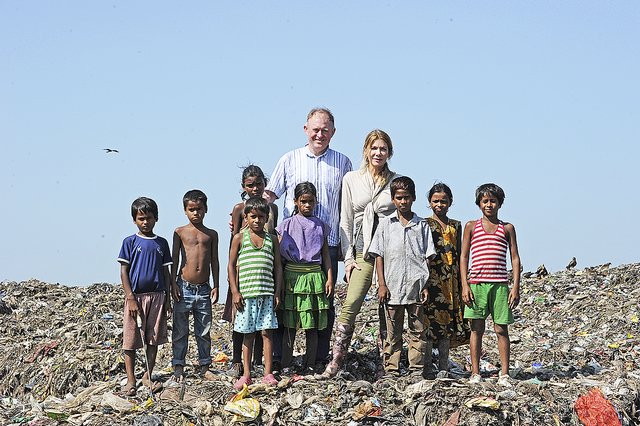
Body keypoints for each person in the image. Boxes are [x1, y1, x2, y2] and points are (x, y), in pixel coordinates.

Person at [265, 107, 351, 365]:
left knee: (324, 304)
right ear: (305, 130)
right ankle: (281, 358)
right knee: (287, 302)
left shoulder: (343, 163)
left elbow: (350, 202)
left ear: (333, 132)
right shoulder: (289, 159)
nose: (320, 134)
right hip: (292, 250)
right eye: (315, 129)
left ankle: (319, 359)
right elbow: (269, 196)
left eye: (325, 130)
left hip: (330, 243)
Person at [318, 129, 399, 379]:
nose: (378, 153)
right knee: (351, 303)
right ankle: (336, 361)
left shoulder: (396, 180)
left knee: (388, 306)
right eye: (374, 148)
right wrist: (349, 258)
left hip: (390, 251)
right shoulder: (352, 179)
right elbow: (346, 220)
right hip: (363, 249)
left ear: (389, 153)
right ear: (366, 150)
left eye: (383, 149)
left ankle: (387, 362)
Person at [368, 176, 435, 376]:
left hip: (415, 286)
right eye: (399, 198)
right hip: (392, 286)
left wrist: (424, 285)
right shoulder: (386, 225)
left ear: (413, 198)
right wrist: (381, 284)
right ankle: (392, 368)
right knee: (392, 332)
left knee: (416, 330)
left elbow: (428, 256)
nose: (403, 201)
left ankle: (416, 368)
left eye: (406, 197)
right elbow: (378, 255)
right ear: (393, 199)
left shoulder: (421, 225)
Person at [461, 183, 521, 387]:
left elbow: (514, 258)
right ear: (479, 204)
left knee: (501, 329)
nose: (489, 204)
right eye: (485, 201)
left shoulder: (507, 228)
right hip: (477, 284)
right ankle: (475, 372)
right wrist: (465, 285)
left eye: (493, 201)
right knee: (476, 329)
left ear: (500, 204)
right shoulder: (471, 226)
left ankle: (504, 373)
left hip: (500, 285)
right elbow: (464, 257)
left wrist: (515, 287)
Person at [223, 165, 278, 378]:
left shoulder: (271, 209)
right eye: (250, 185)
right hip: (243, 270)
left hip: (263, 268)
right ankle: (238, 361)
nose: (255, 188)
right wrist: (234, 282)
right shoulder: (239, 208)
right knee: (242, 320)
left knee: (263, 324)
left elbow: (273, 232)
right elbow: (235, 239)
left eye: (259, 184)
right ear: (243, 187)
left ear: (265, 184)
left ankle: (258, 363)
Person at [117, 197, 172, 396]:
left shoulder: (162, 243)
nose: (145, 222)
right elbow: (124, 271)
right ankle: (131, 380)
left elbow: (166, 273)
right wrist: (130, 297)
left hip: (157, 296)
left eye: (149, 218)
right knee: (130, 340)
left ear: (156, 218)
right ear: (134, 220)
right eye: (141, 218)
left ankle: (147, 375)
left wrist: (167, 299)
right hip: (136, 298)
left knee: (153, 338)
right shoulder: (129, 242)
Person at [277, 182, 334, 372]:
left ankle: (310, 364)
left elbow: (325, 254)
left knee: (313, 324)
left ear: (316, 202)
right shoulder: (285, 226)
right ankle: (286, 364)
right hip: (292, 275)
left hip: (314, 276)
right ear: (295, 202)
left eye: (311, 201)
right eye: (303, 201)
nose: (307, 205)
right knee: (289, 324)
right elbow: (279, 258)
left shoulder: (321, 226)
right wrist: (281, 282)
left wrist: (330, 277)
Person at [228, 197, 284, 389]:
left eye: (261, 217)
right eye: (253, 217)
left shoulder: (272, 240)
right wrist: (235, 291)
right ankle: (246, 374)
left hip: (266, 294)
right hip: (247, 296)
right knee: (248, 335)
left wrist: (277, 291)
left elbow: (277, 267)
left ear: (267, 217)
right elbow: (231, 265)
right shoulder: (239, 238)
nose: (257, 221)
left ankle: (268, 374)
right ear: (246, 217)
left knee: (267, 333)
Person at [170, 190, 220, 381]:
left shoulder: (211, 234)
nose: (195, 213)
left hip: (204, 287)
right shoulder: (179, 232)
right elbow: (174, 259)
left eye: (199, 209)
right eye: (191, 209)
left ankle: (205, 365)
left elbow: (214, 260)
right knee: (180, 330)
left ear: (206, 209)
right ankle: (178, 366)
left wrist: (216, 285)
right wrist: (172, 282)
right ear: (185, 210)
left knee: (204, 330)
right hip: (184, 287)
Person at [424, 183, 471, 379]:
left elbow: (461, 255)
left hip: (451, 281)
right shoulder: (425, 224)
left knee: (446, 325)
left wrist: (463, 282)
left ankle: (443, 366)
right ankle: (426, 367)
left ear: (450, 202)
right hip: (431, 280)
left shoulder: (456, 226)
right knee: (428, 324)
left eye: (444, 201)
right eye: (436, 201)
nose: (440, 205)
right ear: (429, 203)